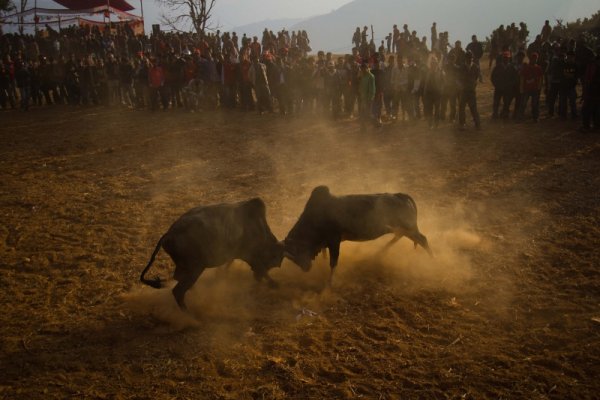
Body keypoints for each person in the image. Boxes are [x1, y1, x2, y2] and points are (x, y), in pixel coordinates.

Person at [490, 51, 518, 120]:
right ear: (502, 58)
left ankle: (505, 115)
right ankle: (495, 115)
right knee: (496, 102)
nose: (506, 59)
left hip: (507, 89)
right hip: (499, 88)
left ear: (509, 58)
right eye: (505, 58)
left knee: (506, 103)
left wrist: (510, 86)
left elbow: (515, 78)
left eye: (507, 58)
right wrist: (496, 85)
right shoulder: (498, 67)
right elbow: (493, 77)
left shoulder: (512, 68)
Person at [458, 51, 481, 130]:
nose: (470, 59)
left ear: (472, 58)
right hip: (464, 90)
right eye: (468, 58)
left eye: (471, 58)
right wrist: (461, 86)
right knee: (461, 108)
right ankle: (462, 124)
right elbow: (458, 79)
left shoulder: (475, 67)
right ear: (466, 58)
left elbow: (476, 78)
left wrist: (473, 85)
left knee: (473, 108)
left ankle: (477, 124)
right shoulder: (462, 67)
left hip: (471, 90)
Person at [519, 52, 543, 122]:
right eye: (533, 58)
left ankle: (535, 117)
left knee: (535, 104)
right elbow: (522, 78)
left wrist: (539, 87)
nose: (534, 60)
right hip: (527, 88)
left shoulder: (538, 68)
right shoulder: (526, 68)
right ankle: (520, 117)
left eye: (536, 59)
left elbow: (541, 78)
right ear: (530, 59)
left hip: (535, 89)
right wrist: (521, 88)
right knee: (523, 103)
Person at [358, 62, 375, 131]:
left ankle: (377, 124)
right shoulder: (362, 76)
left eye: (364, 68)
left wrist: (370, 98)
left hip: (368, 98)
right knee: (362, 113)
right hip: (363, 97)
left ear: (367, 68)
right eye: (362, 69)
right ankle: (363, 127)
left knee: (368, 114)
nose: (363, 70)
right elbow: (361, 86)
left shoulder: (371, 76)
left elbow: (372, 88)